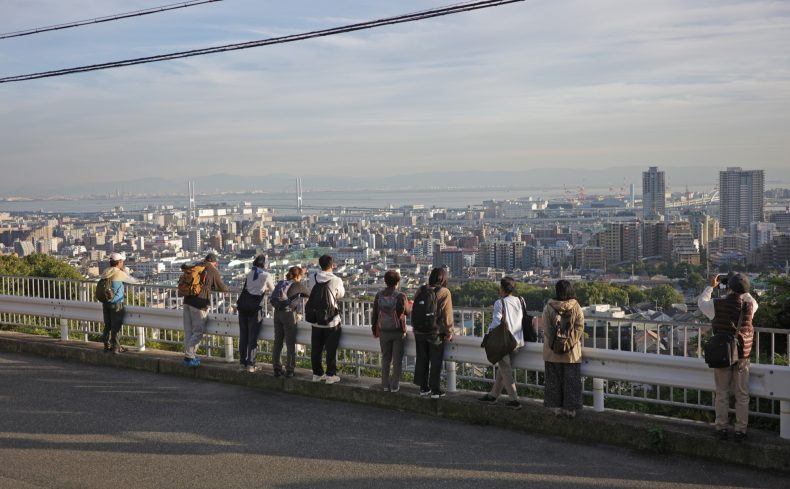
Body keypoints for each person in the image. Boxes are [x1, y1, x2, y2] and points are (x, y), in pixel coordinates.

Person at [697, 272, 757, 442]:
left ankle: (721, 428)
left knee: (722, 393)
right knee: (742, 394)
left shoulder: (717, 305)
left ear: (728, 287)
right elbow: (748, 298)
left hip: (723, 354)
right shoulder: (751, 305)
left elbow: (701, 302)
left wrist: (711, 286)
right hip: (743, 356)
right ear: (746, 290)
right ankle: (740, 431)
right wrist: (742, 287)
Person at [478, 277, 524, 409]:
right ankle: (493, 395)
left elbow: (496, 322)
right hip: (517, 340)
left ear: (502, 289)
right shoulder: (520, 300)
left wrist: (488, 335)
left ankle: (514, 400)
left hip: (504, 341)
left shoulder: (500, 303)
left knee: (505, 370)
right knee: (503, 370)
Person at [541, 279, 585, 417]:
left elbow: (546, 328)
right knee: (571, 382)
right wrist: (570, 342)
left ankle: (556, 408)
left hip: (552, 351)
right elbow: (579, 327)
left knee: (553, 381)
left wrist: (555, 343)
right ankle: (570, 410)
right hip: (571, 353)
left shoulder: (549, 307)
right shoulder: (576, 306)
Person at [412, 267, 454, 399]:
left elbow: (415, 309)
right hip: (435, 332)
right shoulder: (444, 292)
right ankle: (435, 390)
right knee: (435, 361)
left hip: (419, 331)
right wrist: (449, 331)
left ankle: (423, 388)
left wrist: (414, 326)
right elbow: (447, 315)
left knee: (422, 359)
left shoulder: (421, 289)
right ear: (443, 279)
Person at [182, 253, 229, 368]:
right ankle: (189, 356)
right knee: (198, 331)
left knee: (188, 331)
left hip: (187, 301)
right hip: (199, 303)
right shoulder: (212, 270)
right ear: (215, 262)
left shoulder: (197, 266)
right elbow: (222, 287)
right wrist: (227, 289)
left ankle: (188, 356)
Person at [371, 270, 411, 392]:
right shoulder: (401, 296)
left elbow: (375, 314)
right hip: (398, 331)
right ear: (397, 282)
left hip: (383, 331)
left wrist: (374, 329)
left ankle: (384, 385)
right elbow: (407, 313)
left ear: (385, 281)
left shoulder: (379, 295)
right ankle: (394, 386)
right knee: (397, 360)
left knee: (385, 359)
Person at [308, 255, 345, 384]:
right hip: (331, 320)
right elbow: (340, 294)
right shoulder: (336, 279)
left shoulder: (312, 278)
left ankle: (317, 374)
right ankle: (330, 375)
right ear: (332, 265)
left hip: (316, 319)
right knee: (331, 349)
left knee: (316, 349)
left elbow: (311, 292)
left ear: (319, 265)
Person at [272, 266, 310, 378]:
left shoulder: (282, 283)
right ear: (298, 276)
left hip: (277, 313)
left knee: (278, 341)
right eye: (301, 276)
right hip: (288, 314)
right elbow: (309, 293)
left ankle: (277, 368)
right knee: (290, 343)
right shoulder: (298, 284)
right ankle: (289, 369)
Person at [238, 255, 274, 373]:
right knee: (252, 336)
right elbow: (274, 290)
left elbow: (249, 288)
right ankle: (251, 363)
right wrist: (265, 289)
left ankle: (242, 362)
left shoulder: (249, 274)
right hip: (255, 308)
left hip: (243, 307)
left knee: (243, 335)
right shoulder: (266, 275)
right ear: (264, 264)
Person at [99, 252, 140, 354]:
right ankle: (116, 347)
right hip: (116, 302)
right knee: (116, 326)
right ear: (119, 262)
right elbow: (134, 281)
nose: (123, 263)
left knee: (108, 325)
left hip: (106, 302)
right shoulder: (118, 272)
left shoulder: (106, 271)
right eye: (122, 261)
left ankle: (106, 345)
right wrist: (125, 272)